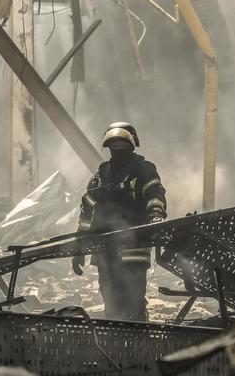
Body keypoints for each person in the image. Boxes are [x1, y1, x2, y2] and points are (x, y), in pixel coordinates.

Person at [72, 122, 166, 322]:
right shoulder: (99, 177)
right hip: (105, 251)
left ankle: (139, 340)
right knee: (110, 300)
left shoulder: (144, 170)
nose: (118, 149)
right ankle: (115, 342)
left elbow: (154, 194)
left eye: (122, 144)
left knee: (133, 300)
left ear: (132, 144)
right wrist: (79, 246)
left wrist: (156, 215)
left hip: (134, 245)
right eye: (113, 145)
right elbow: (86, 213)